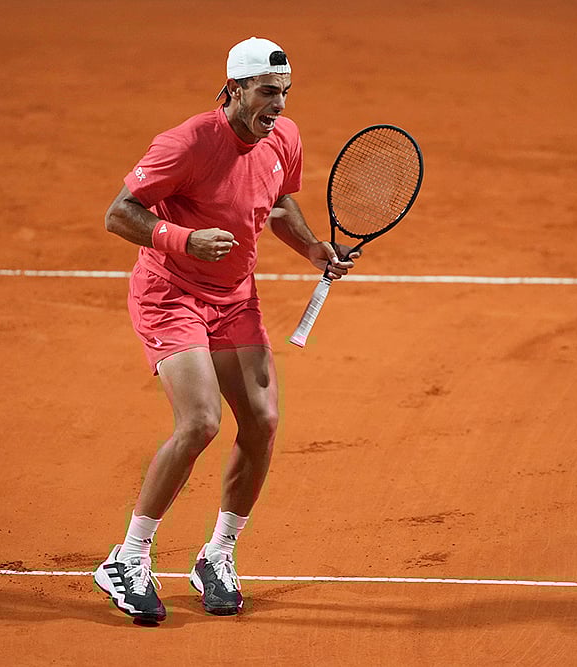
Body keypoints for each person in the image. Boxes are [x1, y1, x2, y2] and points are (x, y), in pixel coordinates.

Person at [94, 36, 360, 623]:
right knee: (201, 422)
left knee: (262, 422)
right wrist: (182, 239)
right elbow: (119, 213)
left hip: (235, 298)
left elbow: (281, 205)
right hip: (171, 295)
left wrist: (315, 249)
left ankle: (217, 554)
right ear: (235, 89)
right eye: (268, 93)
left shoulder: (282, 138)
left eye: (285, 93)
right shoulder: (186, 143)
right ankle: (128, 557)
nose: (279, 106)